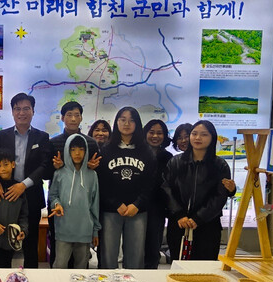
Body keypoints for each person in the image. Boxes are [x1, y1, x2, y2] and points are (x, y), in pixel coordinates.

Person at [0, 93, 52, 269]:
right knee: (5, 242)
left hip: (31, 195)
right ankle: (4, 279)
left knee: (30, 243)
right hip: (6, 195)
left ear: (33, 111)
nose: (22, 113)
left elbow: (44, 165)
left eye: (26, 109)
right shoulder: (2, 136)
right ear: (12, 112)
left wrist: (23, 184)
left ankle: (31, 279)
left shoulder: (42, 137)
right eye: (17, 109)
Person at [162, 120, 236, 261]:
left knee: (205, 267)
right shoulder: (175, 162)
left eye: (204, 134)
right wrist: (179, 214)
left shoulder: (220, 165)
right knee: (178, 266)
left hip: (208, 225)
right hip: (179, 223)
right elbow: (167, 189)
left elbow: (219, 196)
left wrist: (198, 218)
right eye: (194, 134)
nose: (197, 138)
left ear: (212, 138)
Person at [96, 107, 155, 269]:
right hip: (111, 210)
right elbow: (101, 182)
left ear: (137, 124)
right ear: (116, 122)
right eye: (122, 119)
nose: (126, 124)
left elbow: (151, 183)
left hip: (137, 210)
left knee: (135, 257)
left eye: (131, 120)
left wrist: (137, 204)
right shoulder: (106, 150)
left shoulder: (147, 151)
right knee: (108, 256)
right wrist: (116, 203)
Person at [47, 101, 100, 266]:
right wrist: (54, 167)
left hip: (83, 220)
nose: (73, 119)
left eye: (77, 115)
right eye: (69, 115)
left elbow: (97, 173)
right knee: (59, 256)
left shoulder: (91, 143)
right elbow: (46, 172)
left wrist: (92, 167)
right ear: (63, 118)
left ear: (81, 118)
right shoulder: (53, 143)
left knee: (81, 262)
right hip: (62, 215)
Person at [143, 119, 173, 268]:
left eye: (159, 133)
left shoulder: (168, 158)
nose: (155, 136)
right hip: (137, 207)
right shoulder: (138, 153)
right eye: (151, 132)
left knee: (153, 246)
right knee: (135, 246)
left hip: (158, 208)